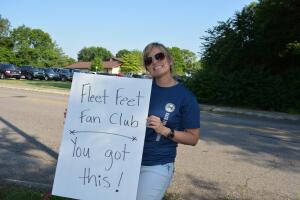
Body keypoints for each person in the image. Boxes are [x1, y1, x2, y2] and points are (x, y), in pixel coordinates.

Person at [136, 42, 200, 200]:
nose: (155, 62)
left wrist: (165, 130)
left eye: (159, 56)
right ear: (147, 67)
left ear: (170, 60)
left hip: (157, 164)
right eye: (148, 60)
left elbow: (193, 138)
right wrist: (79, 115)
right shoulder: (138, 90)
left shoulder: (186, 98)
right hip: (127, 159)